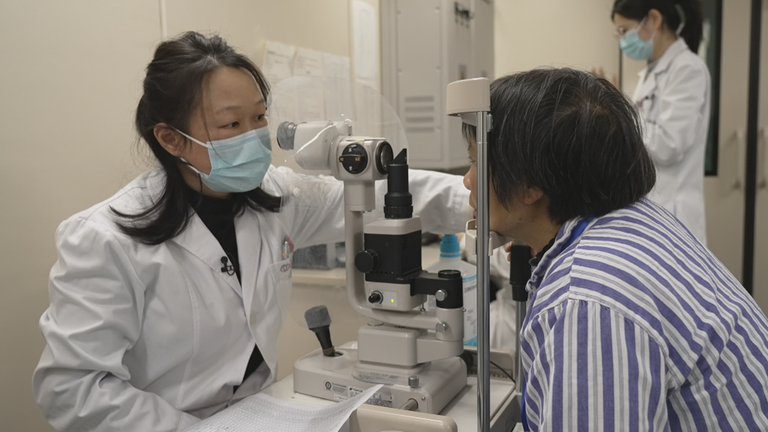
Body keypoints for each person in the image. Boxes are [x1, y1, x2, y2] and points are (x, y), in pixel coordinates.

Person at [32, 31, 470, 432]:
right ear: (170, 139)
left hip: (259, 415)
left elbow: (383, 192)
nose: (254, 136)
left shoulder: (276, 198)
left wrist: (483, 198)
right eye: (231, 125)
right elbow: (73, 390)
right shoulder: (104, 238)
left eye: (260, 117)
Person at [461, 68, 768, 430]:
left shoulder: (586, 300)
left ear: (532, 184)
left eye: (476, 161)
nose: (468, 179)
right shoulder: (638, 218)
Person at [607, 0, 711, 245]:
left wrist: (622, 109)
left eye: (625, 30)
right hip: (654, 211)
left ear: (654, 19)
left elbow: (668, 146)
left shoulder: (688, 69)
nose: (622, 41)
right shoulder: (653, 73)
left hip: (674, 215)